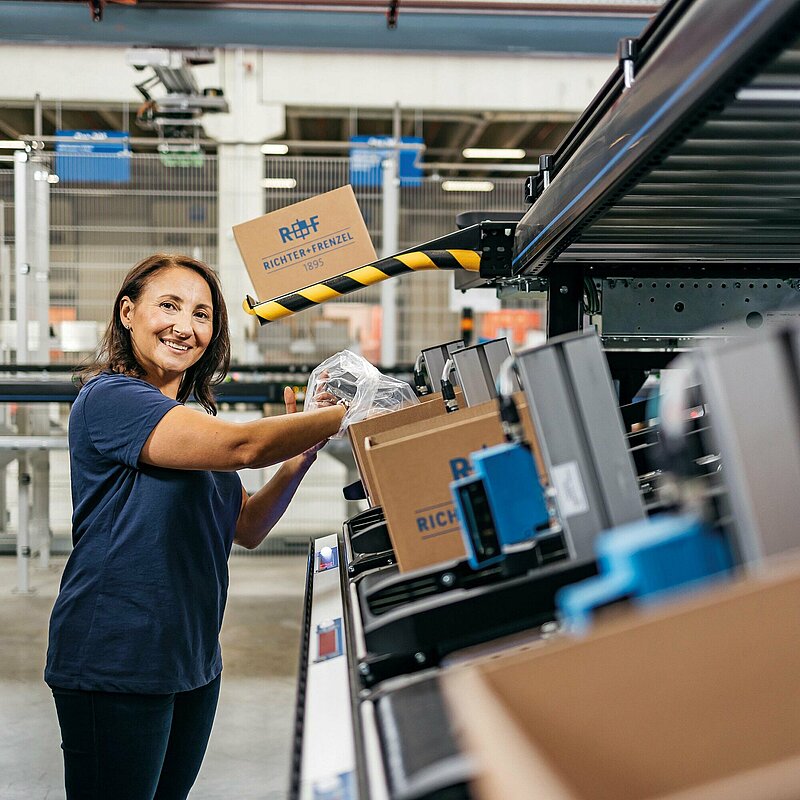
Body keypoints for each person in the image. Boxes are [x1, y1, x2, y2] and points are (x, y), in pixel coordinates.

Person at [44, 253, 346, 800]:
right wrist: (357, 410)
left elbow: (248, 525)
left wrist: (302, 455)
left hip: (191, 656)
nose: (185, 326)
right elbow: (245, 444)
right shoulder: (111, 399)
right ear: (128, 312)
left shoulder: (195, 420)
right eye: (169, 306)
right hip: (118, 655)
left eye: (202, 314)